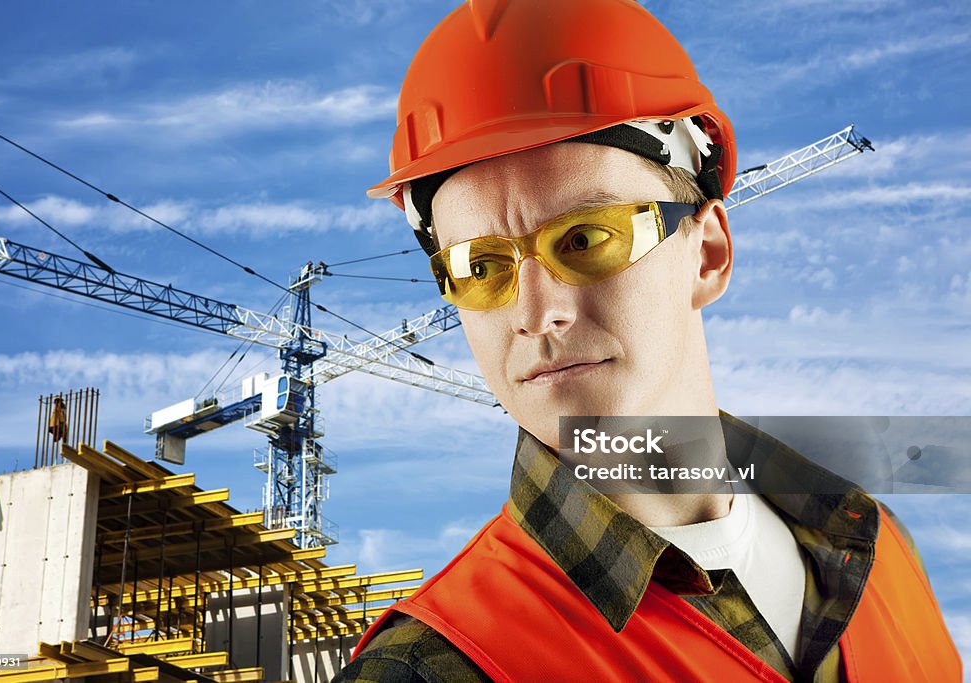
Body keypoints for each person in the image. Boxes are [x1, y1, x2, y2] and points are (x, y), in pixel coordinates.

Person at [334, 1, 962, 681]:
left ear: (709, 252)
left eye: (585, 239)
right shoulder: (428, 669)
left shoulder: (881, 549)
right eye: (482, 268)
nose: (536, 313)